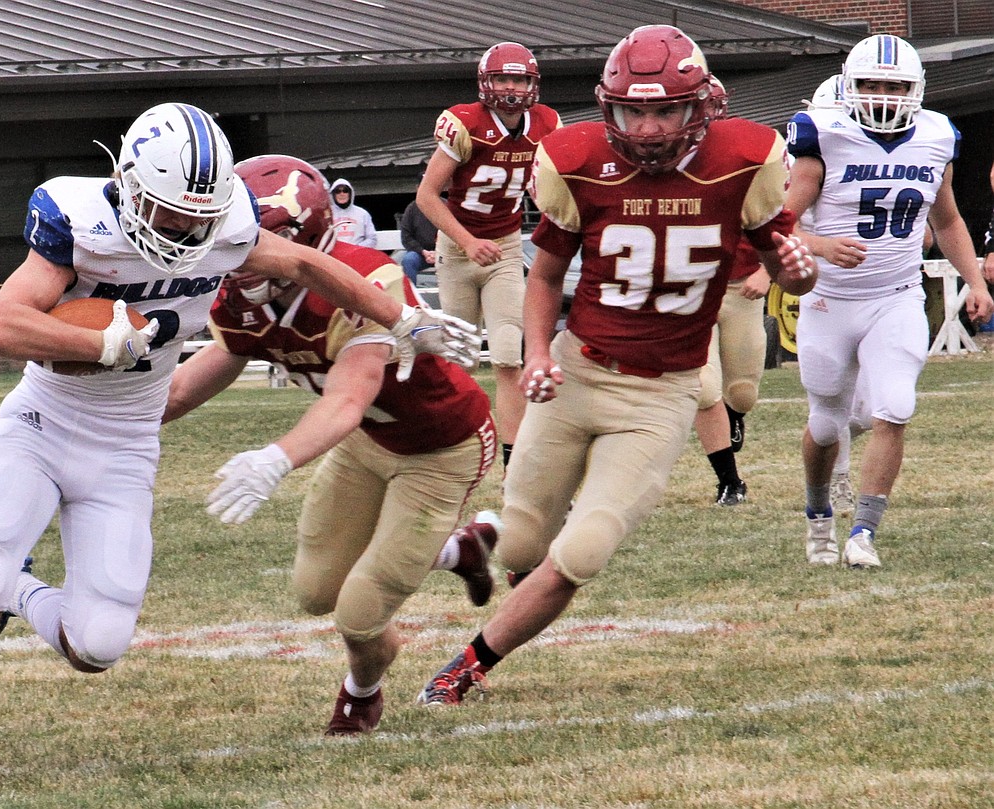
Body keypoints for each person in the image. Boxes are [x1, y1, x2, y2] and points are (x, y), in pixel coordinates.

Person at [0, 104, 482, 784]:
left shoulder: (223, 227)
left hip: (126, 446)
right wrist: (98, 342)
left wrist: (404, 315)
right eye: (174, 213)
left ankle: (22, 591)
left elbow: (302, 261)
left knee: (98, 646)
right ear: (135, 185)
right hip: (44, 424)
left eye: (201, 217)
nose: (188, 229)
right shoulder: (79, 219)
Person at [416, 24, 817, 707]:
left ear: (700, 107)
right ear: (610, 106)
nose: (650, 127)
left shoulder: (745, 158)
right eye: (634, 109)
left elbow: (785, 266)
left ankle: (465, 666)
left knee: (584, 550)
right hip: (578, 372)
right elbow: (544, 278)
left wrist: (795, 271)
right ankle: (486, 537)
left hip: (661, 394)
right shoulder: (575, 158)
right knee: (522, 547)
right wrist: (539, 351)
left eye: (665, 110)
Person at [163, 155, 498, 735]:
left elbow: (347, 397)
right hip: (369, 441)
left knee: (361, 614)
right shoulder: (244, 296)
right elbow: (207, 370)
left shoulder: (365, 281)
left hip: (441, 448)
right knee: (315, 592)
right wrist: (121, 425)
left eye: (252, 235)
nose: (235, 251)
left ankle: (360, 691)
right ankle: (459, 550)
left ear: (303, 235)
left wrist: (276, 459)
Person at [785, 34, 993, 567]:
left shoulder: (936, 135)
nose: (884, 95)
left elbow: (945, 219)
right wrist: (822, 245)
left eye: (895, 85)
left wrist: (976, 281)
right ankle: (817, 513)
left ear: (917, 90)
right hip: (830, 299)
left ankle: (864, 534)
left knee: (895, 406)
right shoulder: (823, 135)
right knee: (828, 421)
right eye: (873, 84)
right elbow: (776, 225)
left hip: (896, 295)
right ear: (851, 88)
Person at [416, 41, 563, 471]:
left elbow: (549, 182)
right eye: (504, 78)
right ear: (487, 82)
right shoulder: (464, 124)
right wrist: (465, 242)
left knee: (506, 353)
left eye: (519, 78)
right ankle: (453, 446)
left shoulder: (546, 124)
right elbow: (426, 195)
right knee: (456, 361)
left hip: (504, 246)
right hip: (458, 251)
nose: (512, 87)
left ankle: (513, 457)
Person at [692, 77, 772, 506]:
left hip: (742, 287)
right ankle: (729, 481)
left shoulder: (748, 154)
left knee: (741, 391)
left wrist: (766, 270)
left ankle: (734, 416)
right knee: (704, 389)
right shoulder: (658, 161)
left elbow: (781, 218)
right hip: (692, 294)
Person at [328, 178, 378, 248]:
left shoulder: (362, 213)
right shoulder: (327, 214)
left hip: (357, 253)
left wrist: (356, 248)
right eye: (337, 191)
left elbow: (372, 239)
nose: (342, 194)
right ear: (333, 194)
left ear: (350, 193)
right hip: (333, 255)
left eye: (345, 191)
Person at [398, 197, 438, 284]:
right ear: (417, 188)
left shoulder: (446, 205)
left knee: (457, 260)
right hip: (419, 254)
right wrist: (423, 251)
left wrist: (438, 253)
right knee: (408, 260)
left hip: (443, 253)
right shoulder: (412, 209)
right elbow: (406, 237)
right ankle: (412, 294)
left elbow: (453, 235)